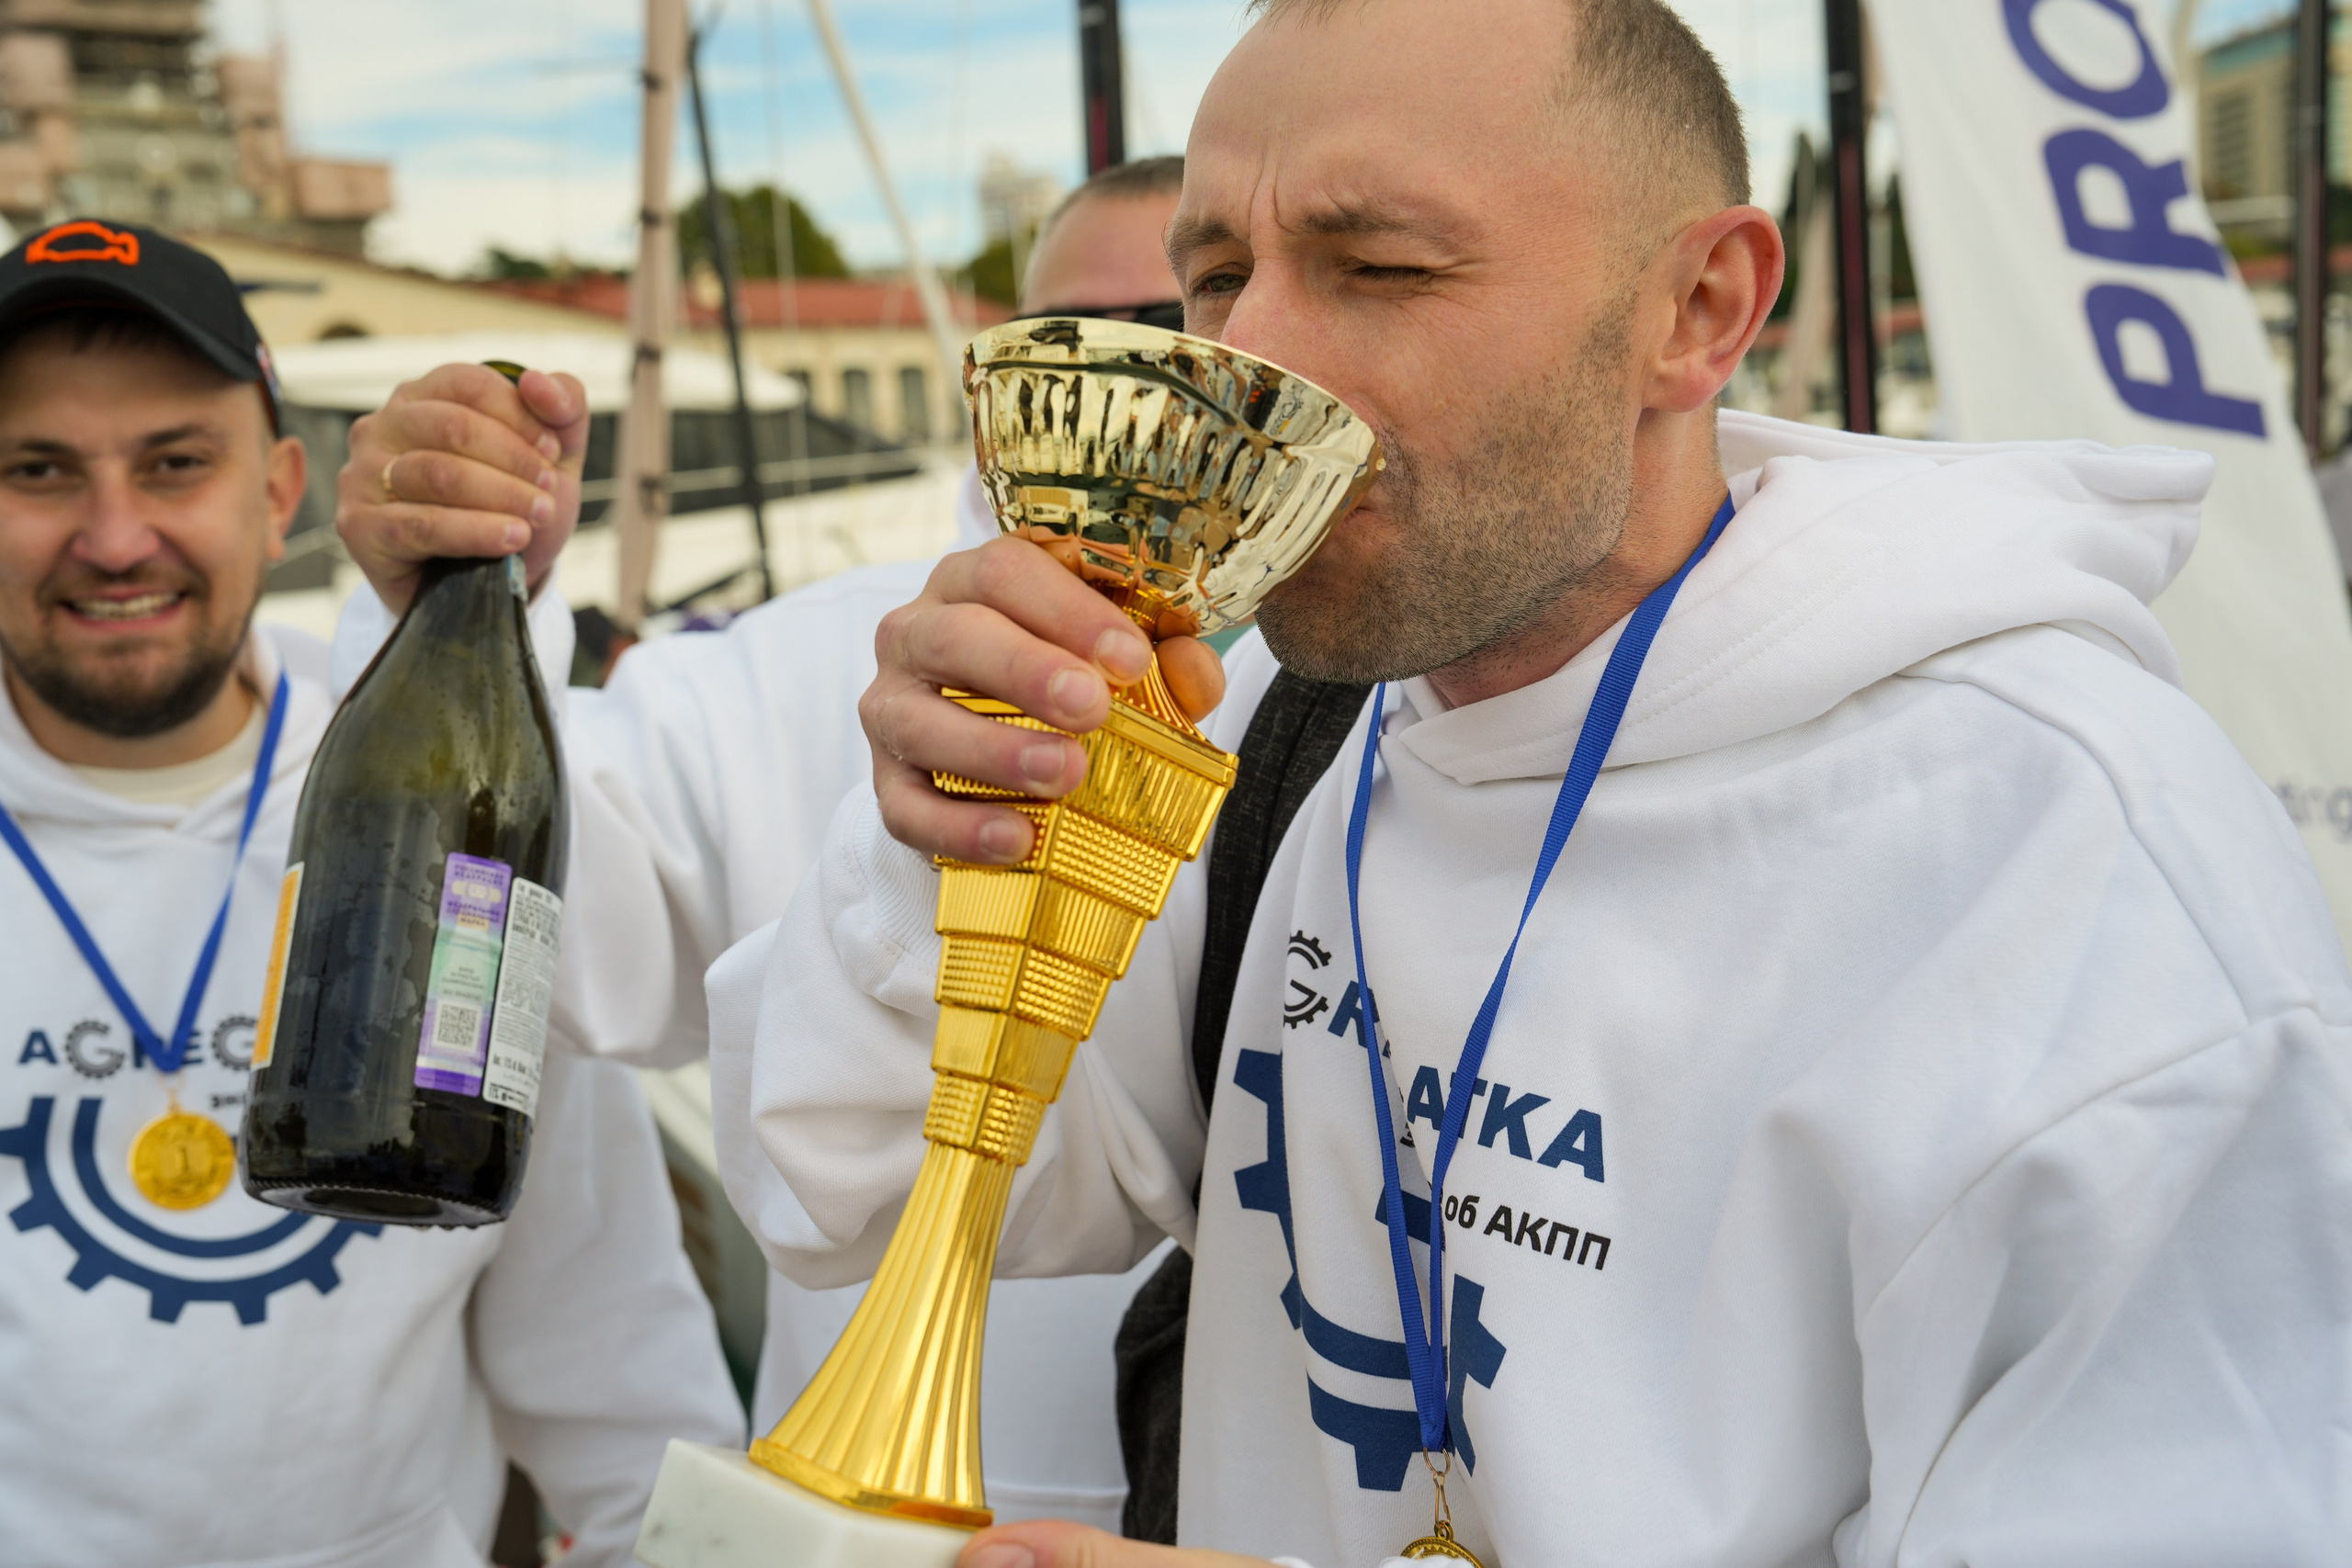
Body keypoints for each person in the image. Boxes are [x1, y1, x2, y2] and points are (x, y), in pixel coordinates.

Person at [706, 2, 2352, 1566]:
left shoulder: (2074, 885)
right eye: (1214, 277)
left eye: (1382, 268)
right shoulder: (1284, 726)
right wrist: (943, 841)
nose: (1244, 361)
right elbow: (831, 1177)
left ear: (1699, 310)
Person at [329, 157, 1193, 1531]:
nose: (1123, 386)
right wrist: (466, 600)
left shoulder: (1383, 692)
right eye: (1054, 352)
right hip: (861, 1531)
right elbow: (515, 908)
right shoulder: (808, 660)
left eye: (1182, 326)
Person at [0, 221, 744, 1567]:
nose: (115, 538)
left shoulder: (436, 810)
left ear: (281, 485)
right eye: (38, 470)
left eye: (175, 461)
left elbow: (622, 1379)